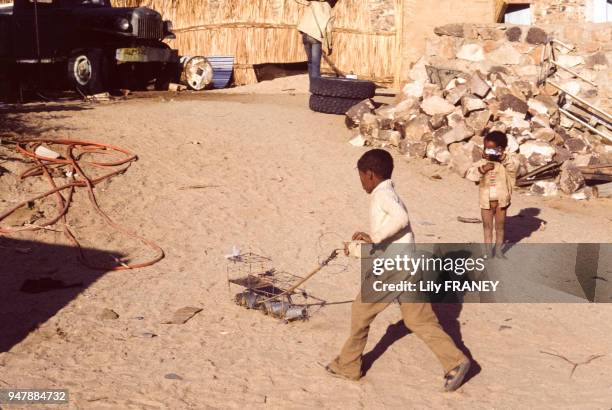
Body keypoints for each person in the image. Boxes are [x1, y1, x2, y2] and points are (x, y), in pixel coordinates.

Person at [326, 149, 471, 392]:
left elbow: (401, 219)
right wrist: (364, 245)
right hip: (408, 263)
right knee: (418, 319)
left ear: (370, 174)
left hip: (393, 268)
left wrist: (373, 237)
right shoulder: (390, 193)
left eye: (361, 176)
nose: (361, 181)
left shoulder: (382, 195)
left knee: (361, 312)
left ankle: (348, 366)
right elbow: (394, 235)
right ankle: (456, 362)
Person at [467, 131, 520, 257]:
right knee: (487, 227)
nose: (489, 151)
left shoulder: (506, 163)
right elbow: (471, 175)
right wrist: (482, 169)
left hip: (502, 201)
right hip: (486, 201)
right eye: (487, 148)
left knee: (500, 228)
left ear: (501, 149)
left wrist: (503, 158)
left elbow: (514, 169)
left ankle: (498, 251)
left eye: (493, 149)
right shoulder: (482, 163)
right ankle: (487, 252)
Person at [294, 0, 335, 78]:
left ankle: (311, 83)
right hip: (316, 37)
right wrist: (329, 45)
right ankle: (315, 84)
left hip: (305, 35)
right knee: (315, 63)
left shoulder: (311, 3)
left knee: (310, 61)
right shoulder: (328, 9)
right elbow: (328, 29)